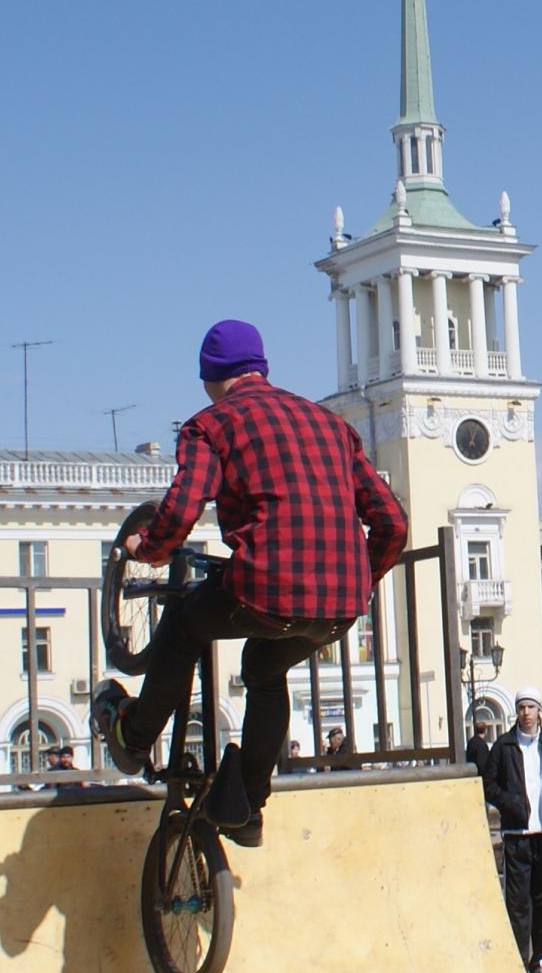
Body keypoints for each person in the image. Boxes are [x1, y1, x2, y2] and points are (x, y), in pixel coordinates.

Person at [92, 319, 408, 848]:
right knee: (263, 667)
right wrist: (360, 579)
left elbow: (183, 508)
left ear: (210, 377)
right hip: (340, 607)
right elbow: (392, 523)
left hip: (265, 589)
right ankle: (248, 805)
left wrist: (148, 549)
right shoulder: (331, 425)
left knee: (184, 625)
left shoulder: (211, 425)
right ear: (261, 367)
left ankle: (133, 736)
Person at [481, 686, 542, 973]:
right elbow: (489, 784)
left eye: (531, 707)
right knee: (517, 901)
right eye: (522, 708)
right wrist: (511, 803)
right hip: (517, 832)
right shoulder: (504, 745)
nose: (526, 713)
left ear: (539, 711)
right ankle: (518, 963)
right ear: (517, 712)